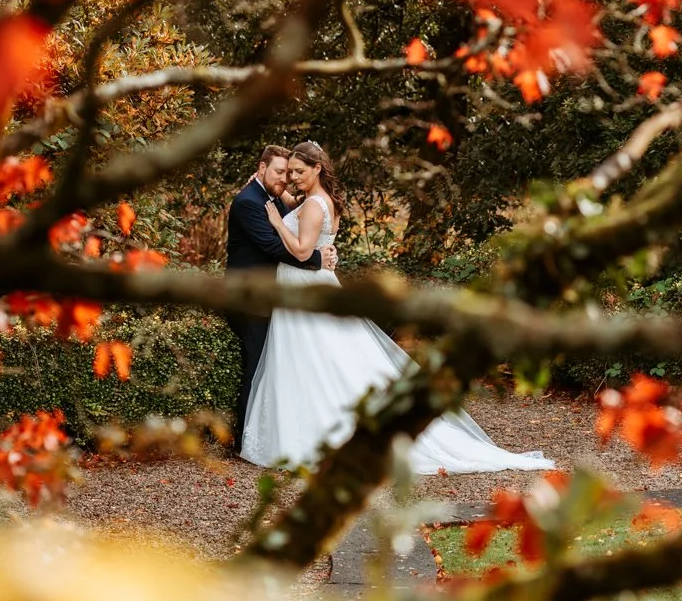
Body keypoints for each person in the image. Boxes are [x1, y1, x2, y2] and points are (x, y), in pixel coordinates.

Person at [237, 140, 553, 474]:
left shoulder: (314, 205)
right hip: (309, 286)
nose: (293, 179)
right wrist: (263, 190)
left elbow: (302, 251)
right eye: (291, 173)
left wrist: (274, 221)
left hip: (305, 288)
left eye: (300, 172)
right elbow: (293, 209)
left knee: (313, 362)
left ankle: (317, 436)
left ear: (317, 169)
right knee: (318, 363)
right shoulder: (319, 201)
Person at [224, 145, 333, 442]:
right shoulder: (250, 202)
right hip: (250, 297)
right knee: (257, 365)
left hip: (274, 296)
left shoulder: (274, 198)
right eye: (280, 172)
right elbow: (273, 245)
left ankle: (275, 433)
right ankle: (244, 438)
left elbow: (296, 224)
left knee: (279, 364)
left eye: (291, 173)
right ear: (261, 168)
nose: (286, 178)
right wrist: (317, 260)